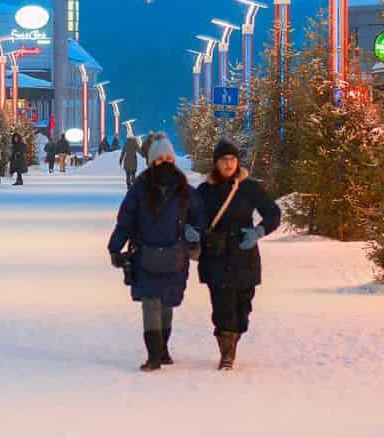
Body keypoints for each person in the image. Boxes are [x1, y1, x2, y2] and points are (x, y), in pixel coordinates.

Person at [107, 136, 205, 372]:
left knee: (167, 304)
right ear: (151, 162)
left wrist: (195, 232)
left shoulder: (185, 191)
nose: (165, 162)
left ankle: (163, 349)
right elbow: (126, 220)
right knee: (150, 303)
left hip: (176, 256)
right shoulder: (139, 190)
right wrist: (114, 247)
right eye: (160, 159)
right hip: (145, 255)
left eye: (169, 158)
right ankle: (154, 355)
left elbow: (200, 217)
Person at [195, 138, 281, 370]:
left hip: (244, 254)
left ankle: (233, 337)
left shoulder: (249, 188)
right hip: (216, 255)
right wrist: (193, 232)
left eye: (232, 159)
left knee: (243, 307)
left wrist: (259, 231)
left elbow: (273, 212)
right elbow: (191, 215)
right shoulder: (205, 191)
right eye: (224, 159)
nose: (228, 163)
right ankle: (227, 353)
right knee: (223, 306)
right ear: (216, 163)